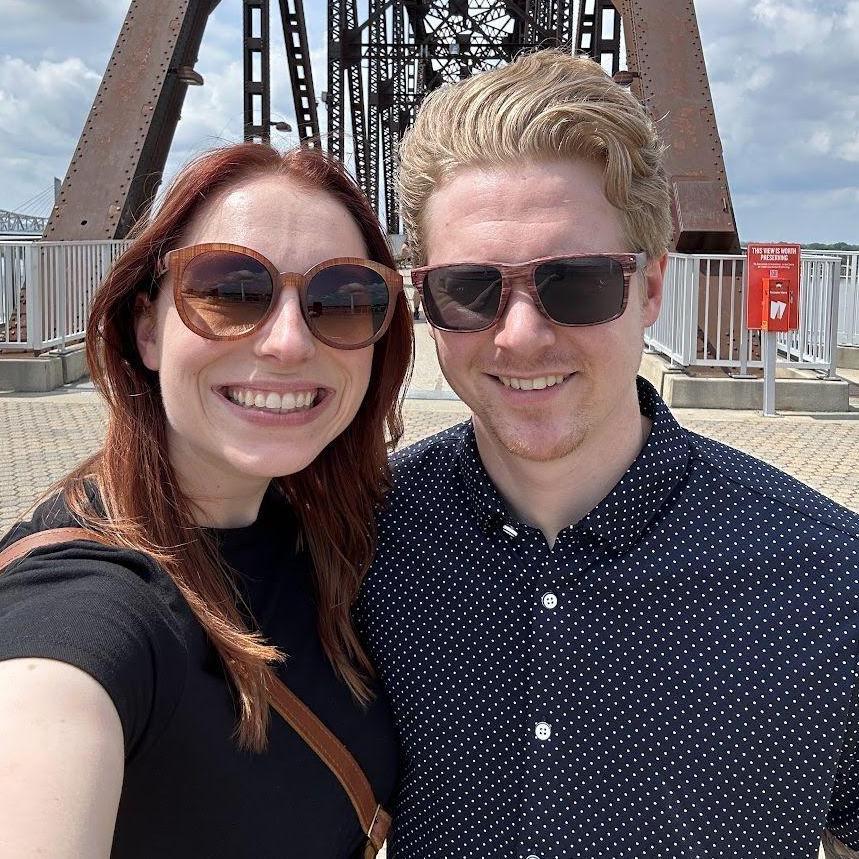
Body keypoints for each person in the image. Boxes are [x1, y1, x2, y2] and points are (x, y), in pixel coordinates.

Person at [354, 50, 859, 858]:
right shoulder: (358, 546)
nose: (518, 335)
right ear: (426, 300)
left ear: (651, 288)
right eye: (468, 289)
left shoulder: (828, 581)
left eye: (576, 282)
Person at [0, 142, 412, 858]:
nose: (287, 342)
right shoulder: (87, 607)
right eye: (229, 291)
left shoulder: (322, 541)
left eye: (343, 299)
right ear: (147, 327)